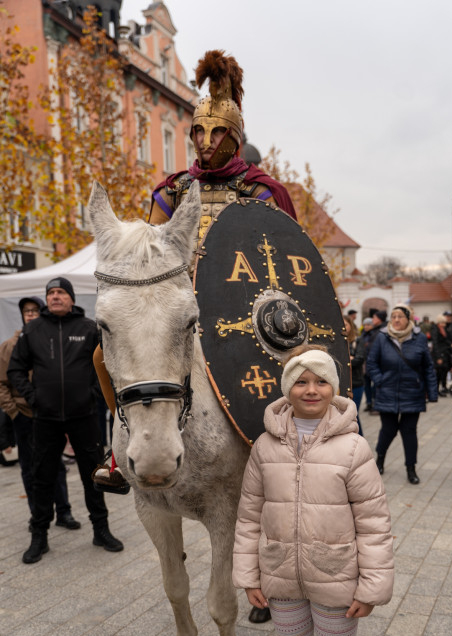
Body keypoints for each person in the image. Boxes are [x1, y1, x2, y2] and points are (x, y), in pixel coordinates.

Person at [92, 48, 296, 495]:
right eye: (198, 131)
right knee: (102, 355)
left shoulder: (261, 191)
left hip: (246, 306)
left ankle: (289, 447)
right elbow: (153, 249)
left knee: (292, 363)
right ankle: (117, 449)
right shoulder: (173, 190)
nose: (205, 140)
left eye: (216, 131)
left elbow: (283, 259)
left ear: (234, 137)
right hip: (179, 302)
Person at [232, 345, 394, 636]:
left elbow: (374, 523)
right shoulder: (265, 446)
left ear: (333, 388)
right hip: (281, 576)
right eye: (301, 381)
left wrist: (372, 586)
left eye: (320, 380)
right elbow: (249, 515)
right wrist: (249, 576)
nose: (311, 389)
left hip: (336, 578)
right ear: (287, 388)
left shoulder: (354, 448)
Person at [8, 277, 123, 564]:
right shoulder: (32, 330)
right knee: (42, 477)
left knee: (93, 476)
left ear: (71, 298)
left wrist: (94, 394)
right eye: (51, 293)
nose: (55, 297)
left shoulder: (88, 329)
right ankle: (40, 536)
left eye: (61, 292)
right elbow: (15, 370)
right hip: (45, 419)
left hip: (83, 417)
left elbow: (109, 363)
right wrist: (33, 398)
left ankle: (101, 529)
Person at [0, 297, 78, 529]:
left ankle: (64, 512)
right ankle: (37, 515)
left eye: (35, 310)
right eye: (27, 311)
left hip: (51, 415)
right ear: (22, 315)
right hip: (25, 415)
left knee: (56, 466)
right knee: (30, 467)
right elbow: (2, 383)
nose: (31, 314)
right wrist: (15, 412)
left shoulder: (51, 340)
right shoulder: (9, 346)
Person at [366, 304, 438, 484]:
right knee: (388, 430)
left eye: (400, 317)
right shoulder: (382, 337)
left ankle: (411, 468)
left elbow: (428, 366)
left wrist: (432, 391)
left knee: (409, 431)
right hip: (387, 391)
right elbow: (371, 363)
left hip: (412, 391)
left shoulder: (419, 338)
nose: (396, 320)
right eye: (393, 316)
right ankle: (380, 459)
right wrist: (380, 380)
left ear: (408, 319)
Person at [344, 315, 365, 435]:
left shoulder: (357, 340)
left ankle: (359, 438)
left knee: (354, 413)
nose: (344, 327)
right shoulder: (335, 340)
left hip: (356, 382)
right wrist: (350, 358)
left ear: (350, 326)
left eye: (346, 325)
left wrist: (347, 360)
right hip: (342, 383)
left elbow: (360, 359)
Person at [431, 314, 452, 396]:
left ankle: (444, 387)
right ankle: (436, 389)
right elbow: (435, 344)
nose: (445, 324)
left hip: (445, 353)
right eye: (443, 323)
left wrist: (451, 344)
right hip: (439, 354)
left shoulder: (443, 329)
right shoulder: (435, 330)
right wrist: (438, 357)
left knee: (444, 371)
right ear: (439, 322)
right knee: (438, 372)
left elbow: (446, 340)